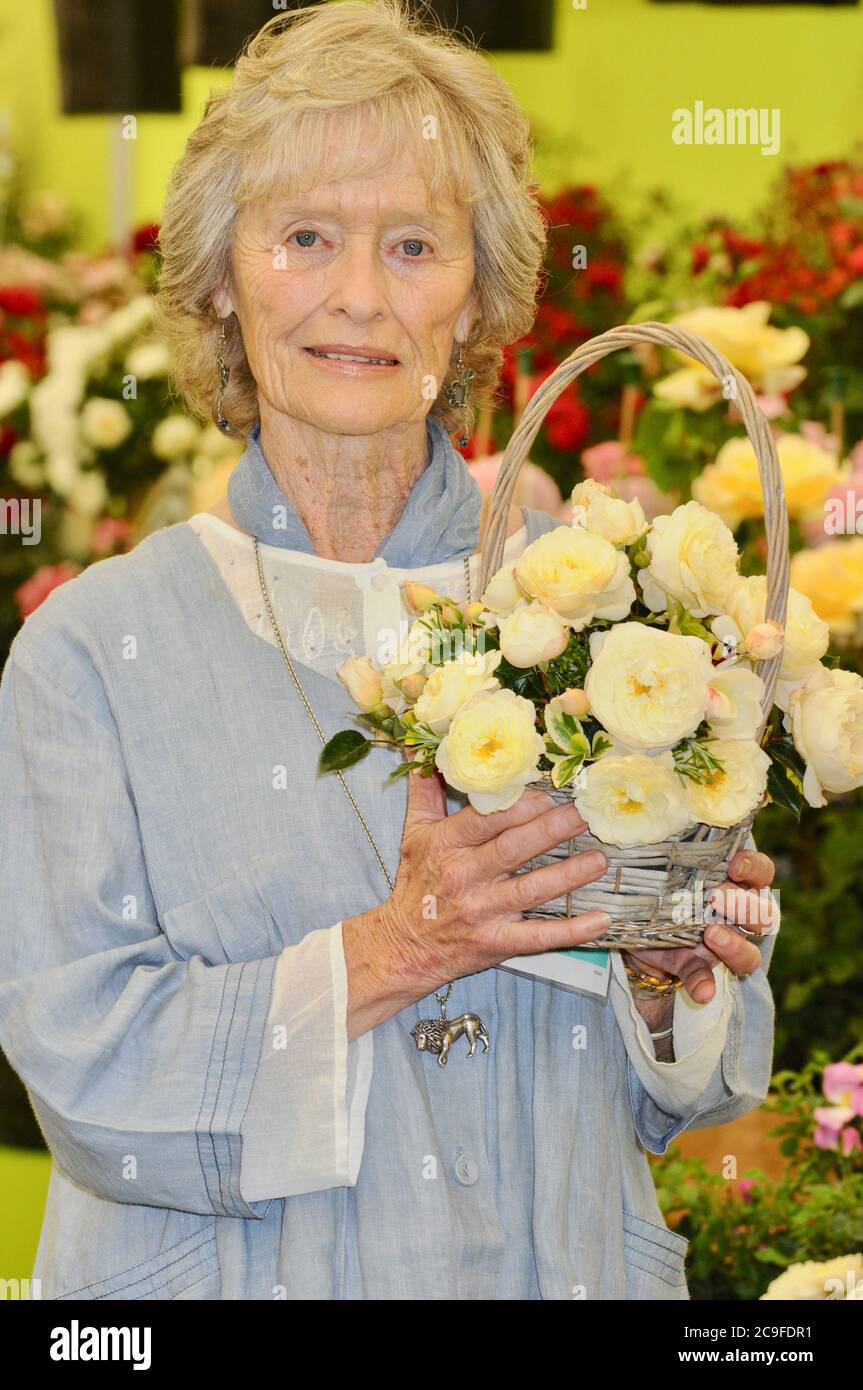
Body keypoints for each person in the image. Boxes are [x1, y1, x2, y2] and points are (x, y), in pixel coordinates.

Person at [0, 0, 779, 1301]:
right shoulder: (88, 653)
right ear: (219, 275)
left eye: (414, 244)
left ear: (479, 293)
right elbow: (83, 1070)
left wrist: (668, 974)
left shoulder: (611, 603)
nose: (359, 295)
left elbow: (703, 1072)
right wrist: (401, 943)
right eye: (306, 237)